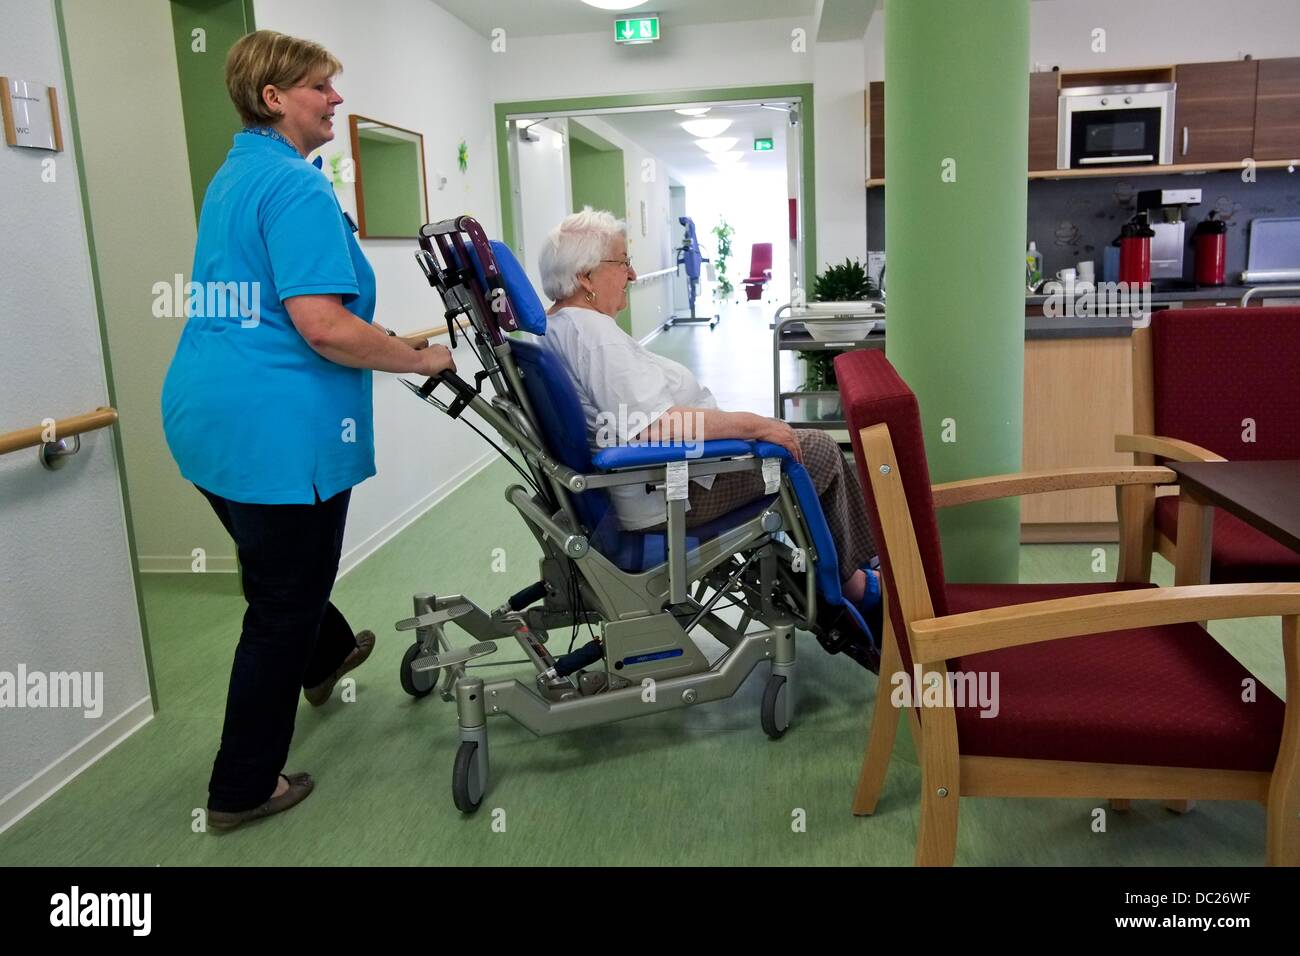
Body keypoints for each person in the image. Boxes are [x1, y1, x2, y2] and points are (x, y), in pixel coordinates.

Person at [160, 30, 455, 829]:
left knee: (278, 571)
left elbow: (279, 303)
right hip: (272, 427)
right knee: (283, 601)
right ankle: (242, 787)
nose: (336, 99)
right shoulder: (295, 188)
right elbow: (323, 326)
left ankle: (324, 661)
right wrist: (419, 360)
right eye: (322, 86)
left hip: (206, 418)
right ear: (274, 97)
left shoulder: (236, 173)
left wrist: (384, 340)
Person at [534, 207, 879, 615]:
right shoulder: (594, 336)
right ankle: (855, 586)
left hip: (650, 482)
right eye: (623, 261)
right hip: (673, 491)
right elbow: (656, 427)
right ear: (585, 275)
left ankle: (847, 569)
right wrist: (757, 425)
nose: (632, 274)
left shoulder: (558, 326)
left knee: (800, 447)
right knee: (818, 450)